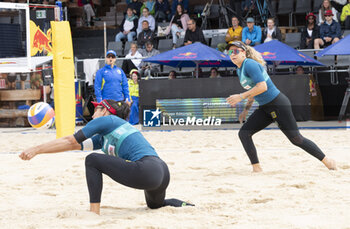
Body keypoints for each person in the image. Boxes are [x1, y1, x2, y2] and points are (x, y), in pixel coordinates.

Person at [19, 99, 194, 215]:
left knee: (92, 160)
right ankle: (188, 206)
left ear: (106, 112)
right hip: (161, 172)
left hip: (147, 170)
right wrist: (40, 151)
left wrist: (35, 149)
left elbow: (69, 139)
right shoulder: (105, 137)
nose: (93, 112)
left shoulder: (108, 121)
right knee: (155, 205)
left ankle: (93, 213)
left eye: (97, 108)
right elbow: (72, 145)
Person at [225, 41, 336, 172]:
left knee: (296, 139)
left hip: (277, 104)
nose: (233, 54)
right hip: (265, 107)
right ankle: (257, 168)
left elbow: (262, 86)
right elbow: (254, 90)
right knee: (244, 133)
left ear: (243, 52)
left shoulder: (249, 64)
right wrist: (246, 110)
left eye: (236, 51)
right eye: (230, 52)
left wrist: (240, 96)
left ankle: (328, 161)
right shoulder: (240, 69)